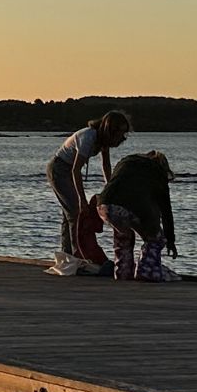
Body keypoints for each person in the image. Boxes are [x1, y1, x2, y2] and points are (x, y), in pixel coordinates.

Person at [47, 109, 131, 274]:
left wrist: (110, 189)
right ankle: (79, 258)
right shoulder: (88, 137)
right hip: (59, 170)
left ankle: (68, 257)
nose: (122, 138)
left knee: (69, 215)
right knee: (76, 213)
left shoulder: (102, 141)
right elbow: (76, 170)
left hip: (68, 170)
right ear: (110, 130)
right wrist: (82, 199)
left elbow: (105, 165)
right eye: (120, 133)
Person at [96, 149, 177, 281]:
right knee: (156, 238)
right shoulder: (157, 172)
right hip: (130, 207)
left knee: (123, 235)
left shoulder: (126, 161)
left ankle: (122, 272)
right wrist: (170, 241)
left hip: (104, 206)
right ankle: (144, 271)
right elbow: (166, 210)